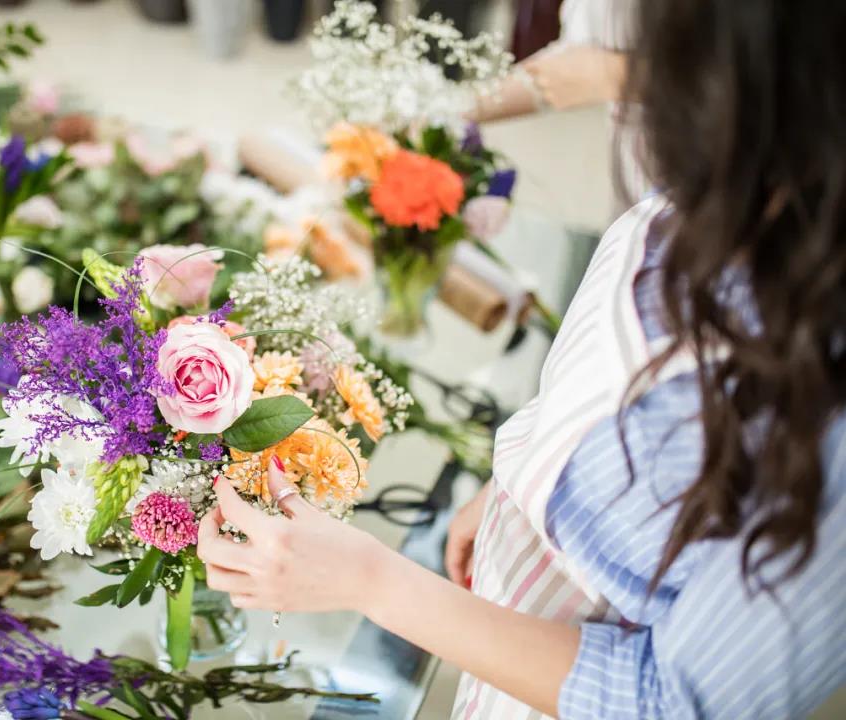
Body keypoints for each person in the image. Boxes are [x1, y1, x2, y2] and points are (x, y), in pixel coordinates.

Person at [196, 1, 846, 718]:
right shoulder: (738, 178)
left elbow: (671, 701)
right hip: (512, 608)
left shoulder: (825, 422)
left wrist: (373, 582)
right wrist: (522, 479)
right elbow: (613, 389)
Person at [474, 0, 643, 211]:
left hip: (685, 177)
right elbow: (564, 67)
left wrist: (611, 74)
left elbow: (694, 73)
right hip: (633, 183)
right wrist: (453, 111)